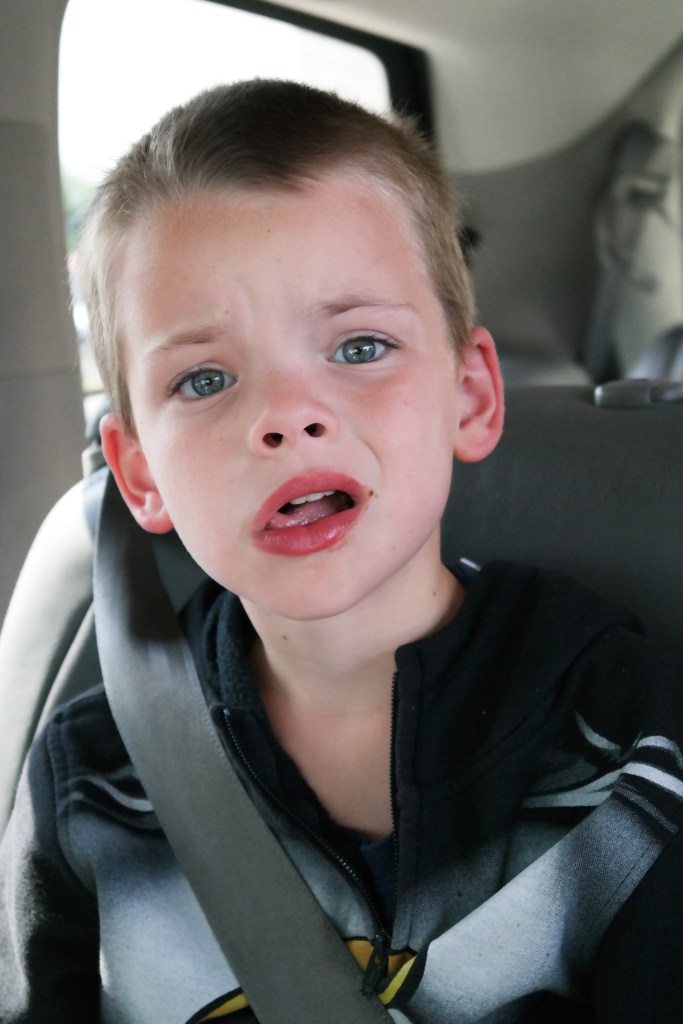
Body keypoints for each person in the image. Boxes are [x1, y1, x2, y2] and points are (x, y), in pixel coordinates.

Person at [0, 79, 681, 1024]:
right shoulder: (92, 779)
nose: (286, 416)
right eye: (204, 379)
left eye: (359, 348)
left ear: (470, 397)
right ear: (141, 473)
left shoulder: (627, 732)